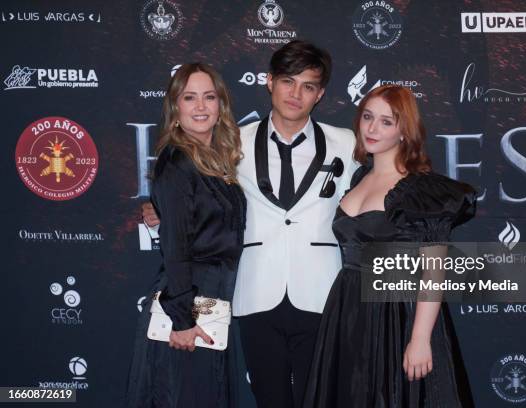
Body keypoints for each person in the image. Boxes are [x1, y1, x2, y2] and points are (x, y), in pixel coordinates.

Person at [142, 41, 357, 408]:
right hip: (254, 290)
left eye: (308, 86)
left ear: (320, 95)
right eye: (288, 81)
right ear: (269, 82)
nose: (296, 94)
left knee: (321, 398)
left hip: (323, 291)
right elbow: (199, 194)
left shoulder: (348, 143)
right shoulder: (232, 143)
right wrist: (161, 210)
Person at [303, 85, 477, 408]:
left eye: (386, 121)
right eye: (368, 117)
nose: (371, 128)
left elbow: (434, 270)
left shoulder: (421, 190)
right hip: (349, 312)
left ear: (404, 130)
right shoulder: (358, 179)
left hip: (398, 314)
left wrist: (421, 338)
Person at [126, 63, 246, 408]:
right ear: (175, 108)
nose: (200, 106)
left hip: (211, 298)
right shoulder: (178, 162)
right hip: (190, 300)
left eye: (209, 97)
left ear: (220, 105)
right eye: (189, 97)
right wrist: (181, 319)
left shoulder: (213, 159)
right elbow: (176, 247)